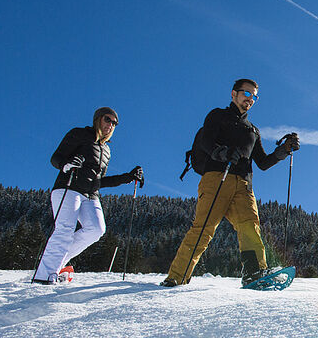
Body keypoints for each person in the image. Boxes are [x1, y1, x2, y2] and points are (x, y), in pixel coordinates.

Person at [161, 79, 299, 287]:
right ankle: (176, 277)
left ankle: (254, 272)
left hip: (244, 185)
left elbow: (262, 162)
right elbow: (206, 141)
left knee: (250, 227)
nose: (250, 99)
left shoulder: (253, 130)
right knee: (204, 228)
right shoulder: (218, 116)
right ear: (234, 94)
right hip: (217, 177)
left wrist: (284, 150)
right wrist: (222, 152)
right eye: (247, 93)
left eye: (254, 96)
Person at [33, 107, 143, 284]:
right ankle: (44, 276)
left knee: (96, 229)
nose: (111, 125)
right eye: (108, 119)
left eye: (114, 123)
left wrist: (127, 177)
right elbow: (56, 158)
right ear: (98, 119)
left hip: (90, 194)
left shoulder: (106, 150)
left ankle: (55, 264)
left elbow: (100, 181)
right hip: (68, 187)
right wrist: (67, 164)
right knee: (65, 229)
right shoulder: (80, 134)